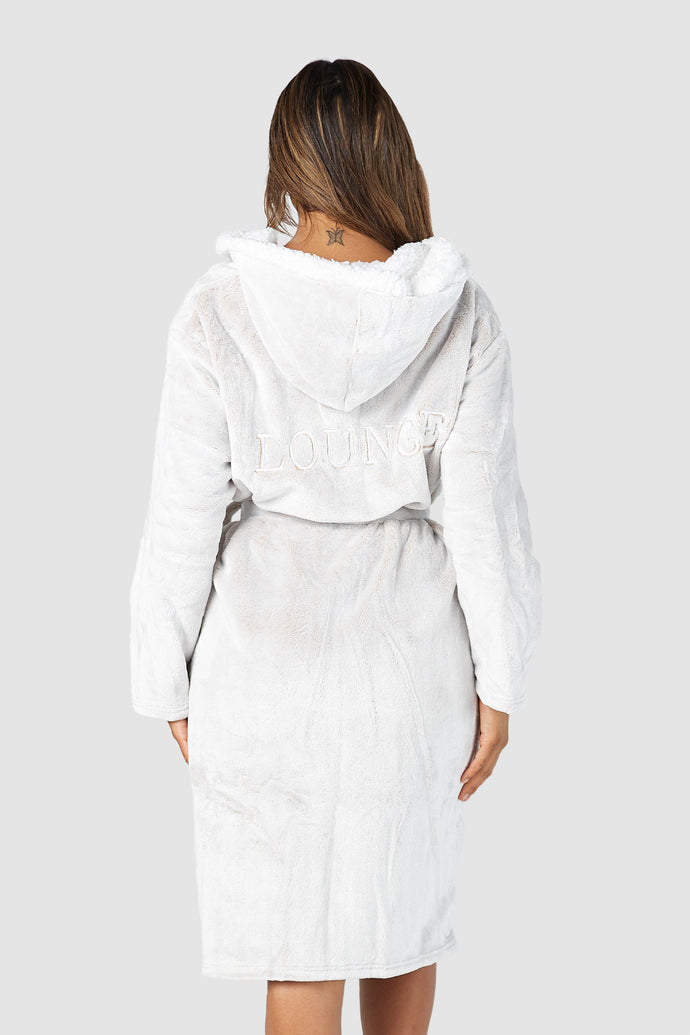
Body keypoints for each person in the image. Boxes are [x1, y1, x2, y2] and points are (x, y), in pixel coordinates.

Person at [129, 57, 542, 1035]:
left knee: (298, 945)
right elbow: (485, 521)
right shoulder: (458, 313)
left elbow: (181, 517)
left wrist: (166, 681)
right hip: (408, 669)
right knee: (402, 923)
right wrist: (500, 684)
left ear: (286, 171)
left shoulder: (221, 310)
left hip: (263, 669)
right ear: (392, 159)